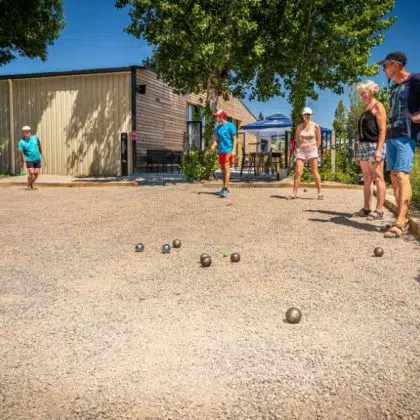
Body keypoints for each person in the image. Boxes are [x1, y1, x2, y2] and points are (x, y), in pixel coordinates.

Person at [379, 52, 420, 238]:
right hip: (392, 135)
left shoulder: (415, 79)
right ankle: (399, 217)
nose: (384, 70)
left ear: (395, 65)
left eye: (385, 66)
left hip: (406, 134)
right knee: (394, 176)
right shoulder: (394, 87)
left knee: (402, 174)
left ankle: (401, 222)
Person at [353, 80, 387, 220]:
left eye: (364, 93)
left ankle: (379, 210)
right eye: (360, 94)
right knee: (367, 178)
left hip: (374, 145)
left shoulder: (378, 106)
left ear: (371, 91)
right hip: (363, 146)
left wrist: (379, 150)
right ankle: (367, 208)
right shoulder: (365, 108)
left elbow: (383, 130)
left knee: (378, 177)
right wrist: (357, 151)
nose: (362, 96)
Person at [290, 107, 323, 199]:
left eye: (308, 114)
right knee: (298, 172)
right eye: (305, 114)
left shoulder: (316, 126)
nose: (307, 116)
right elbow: (297, 139)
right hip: (301, 151)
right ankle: (294, 192)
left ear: (311, 115)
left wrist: (315, 149)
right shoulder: (299, 127)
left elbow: (319, 140)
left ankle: (319, 192)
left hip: (312, 151)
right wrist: (298, 149)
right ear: (303, 115)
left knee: (314, 171)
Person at [211, 110, 237, 198]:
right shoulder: (218, 128)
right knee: (222, 170)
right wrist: (214, 144)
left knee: (227, 168)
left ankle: (225, 189)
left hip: (228, 150)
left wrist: (234, 150)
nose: (216, 117)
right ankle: (224, 188)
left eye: (217, 116)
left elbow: (234, 139)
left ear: (222, 116)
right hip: (221, 151)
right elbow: (216, 139)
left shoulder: (231, 126)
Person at [17, 126, 43, 190]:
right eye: (25, 131)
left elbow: (39, 144)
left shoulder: (35, 138)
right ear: (23, 132)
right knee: (31, 173)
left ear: (30, 131)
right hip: (29, 159)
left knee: (36, 173)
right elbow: (20, 152)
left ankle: (31, 184)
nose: (27, 132)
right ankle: (29, 185)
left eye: (28, 131)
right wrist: (22, 161)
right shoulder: (21, 142)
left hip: (37, 158)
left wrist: (40, 151)